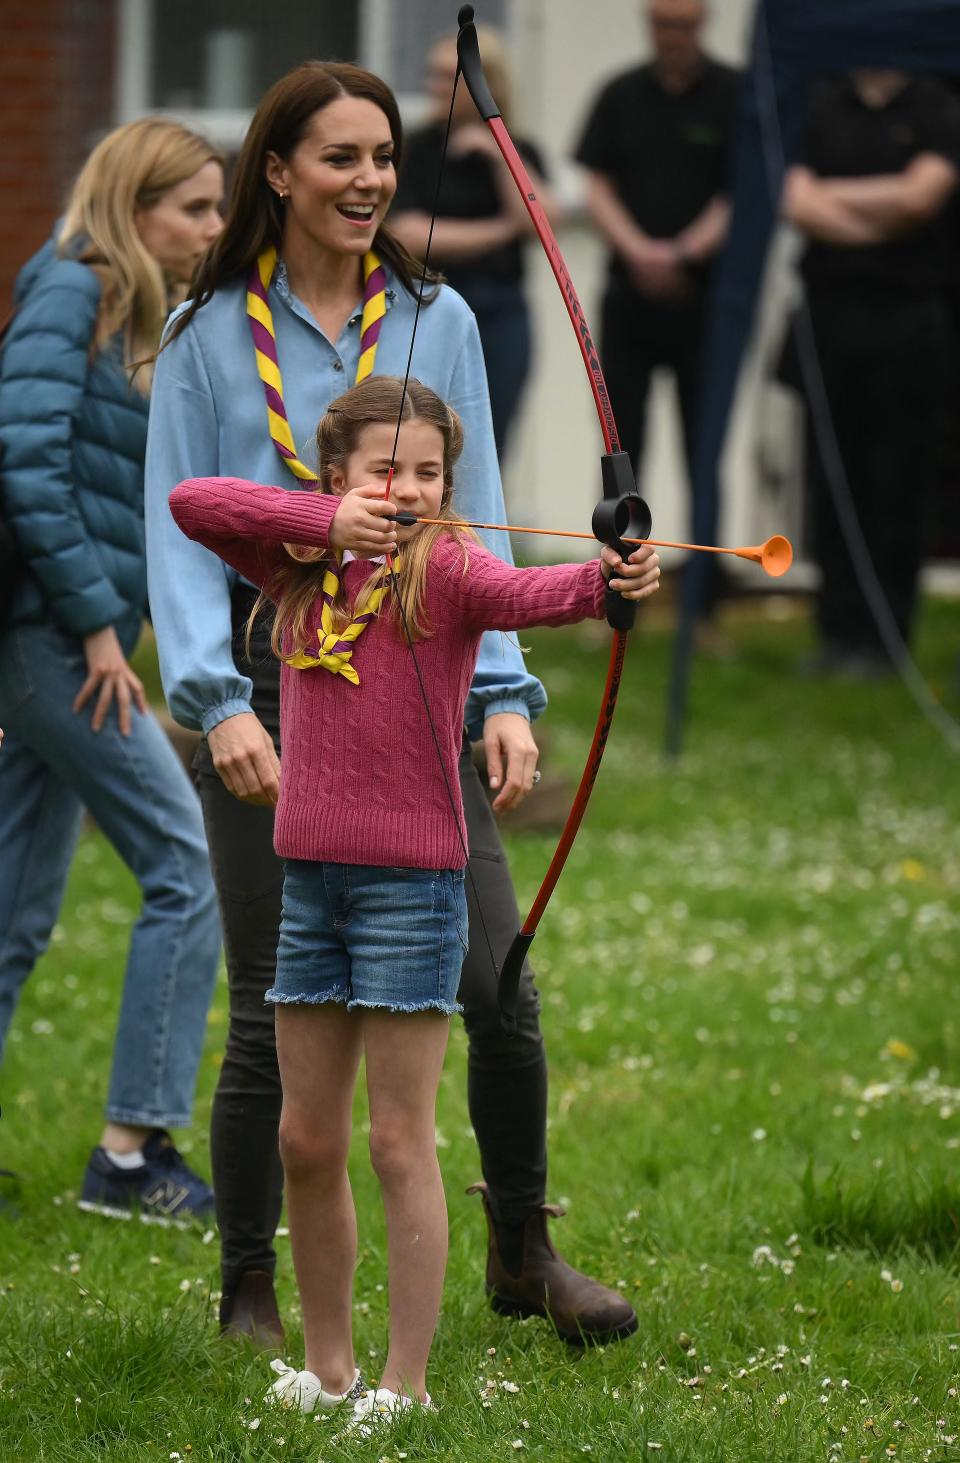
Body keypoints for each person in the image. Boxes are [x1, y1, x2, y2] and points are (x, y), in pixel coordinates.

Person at [145, 60, 641, 1348]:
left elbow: (466, 528)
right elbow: (182, 523)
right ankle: (250, 1282)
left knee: (494, 975)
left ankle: (523, 1250)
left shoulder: (440, 318)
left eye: (383, 160)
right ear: (278, 172)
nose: (370, 181)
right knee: (273, 1000)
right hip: (271, 683)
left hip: (426, 675)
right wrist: (213, 699)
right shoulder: (208, 335)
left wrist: (505, 691)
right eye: (340, 159)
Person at [167, 375, 661, 1423]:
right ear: (339, 474)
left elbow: (540, 595)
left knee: (397, 1137)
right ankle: (331, 1368)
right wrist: (321, 520)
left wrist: (611, 582)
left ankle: (405, 1382)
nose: (410, 488)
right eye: (387, 469)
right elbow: (193, 503)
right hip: (314, 886)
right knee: (308, 1136)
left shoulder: (447, 572)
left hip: (413, 892)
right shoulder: (297, 564)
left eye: (429, 472)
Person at [0, 119, 224, 1218]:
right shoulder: (71, 288)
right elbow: (25, 462)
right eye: (194, 208)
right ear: (135, 208)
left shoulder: (129, 307)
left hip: (53, 643)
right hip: (54, 647)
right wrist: (98, 623)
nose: (213, 229)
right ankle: (130, 1157)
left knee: (11, 912)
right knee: (188, 869)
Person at [783, 70, 960, 674]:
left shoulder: (936, 103)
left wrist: (834, 199)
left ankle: (887, 639)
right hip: (831, 319)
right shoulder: (824, 102)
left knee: (898, 481)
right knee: (832, 479)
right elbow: (794, 199)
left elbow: (923, 199)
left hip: (911, 321)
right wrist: (880, 216)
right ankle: (836, 633)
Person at [575, 0, 738, 575]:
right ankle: (612, 575)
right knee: (623, 454)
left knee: (704, 448)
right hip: (629, 303)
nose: (674, 36)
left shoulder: (733, 94)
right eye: (664, 24)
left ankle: (706, 594)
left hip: (706, 303)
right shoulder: (619, 94)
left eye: (685, 25)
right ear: (650, 25)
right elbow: (596, 187)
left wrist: (683, 251)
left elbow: (741, 193)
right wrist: (639, 250)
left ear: (703, 24)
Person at [391, 28, 560, 458]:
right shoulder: (417, 148)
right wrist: (503, 230)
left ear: (487, 83)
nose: (436, 86)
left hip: (501, 313)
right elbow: (409, 235)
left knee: (490, 443)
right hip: (428, 305)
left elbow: (541, 220)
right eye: (433, 74)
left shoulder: (516, 150)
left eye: (450, 76)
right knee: (422, 436)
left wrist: (497, 154)